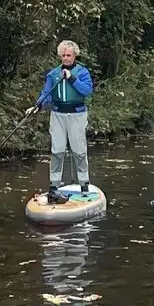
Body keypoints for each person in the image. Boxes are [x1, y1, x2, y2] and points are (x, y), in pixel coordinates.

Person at [35, 40, 94, 204]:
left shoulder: (82, 72)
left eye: (69, 55)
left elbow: (87, 91)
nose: (66, 58)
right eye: (63, 55)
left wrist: (72, 78)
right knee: (57, 150)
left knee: (79, 151)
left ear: (75, 55)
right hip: (58, 115)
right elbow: (46, 94)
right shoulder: (53, 74)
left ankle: (84, 185)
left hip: (77, 114)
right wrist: (38, 106)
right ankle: (54, 186)